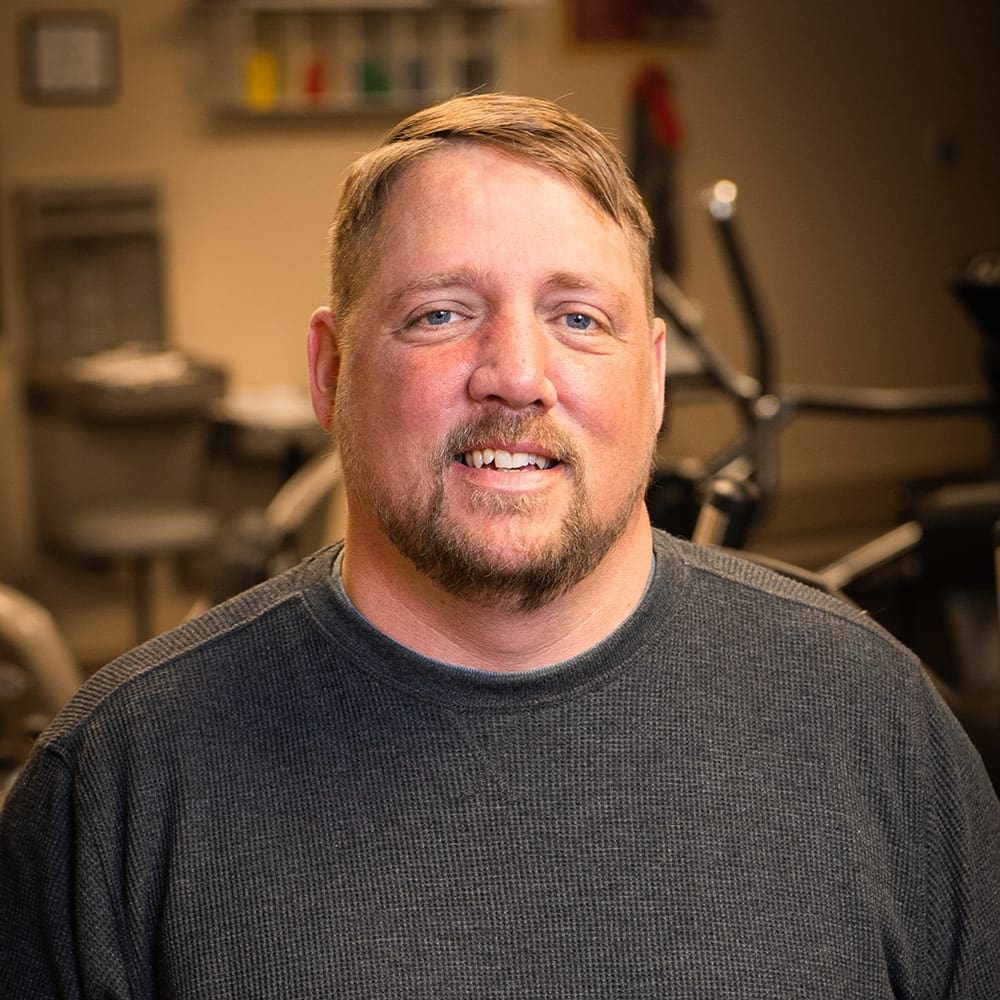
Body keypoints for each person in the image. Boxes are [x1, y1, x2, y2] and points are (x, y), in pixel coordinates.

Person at [1, 93, 998, 999]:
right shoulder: (120, 782)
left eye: (578, 317)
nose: (517, 375)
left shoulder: (872, 722)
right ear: (331, 368)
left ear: (652, 379)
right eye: (441, 313)